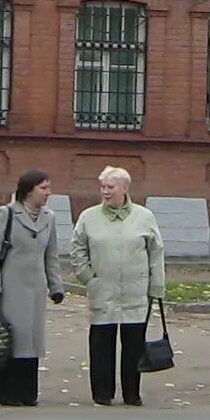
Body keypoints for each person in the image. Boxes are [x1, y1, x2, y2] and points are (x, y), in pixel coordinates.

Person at [71, 166, 167, 406]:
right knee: (101, 344)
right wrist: (87, 276)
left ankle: (131, 393)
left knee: (133, 345)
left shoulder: (144, 217)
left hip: (134, 292)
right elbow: (77, 248)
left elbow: (156, 252)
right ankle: (102, 394)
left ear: (125, 188)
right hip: (102, 289)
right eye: (102, 187)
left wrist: (157, 287)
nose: (105, 192)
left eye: (110, 187)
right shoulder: (88, 217)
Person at [0, 168, 66, 406]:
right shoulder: (7, 214)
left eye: (48, 187)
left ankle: (28, 393)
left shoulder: (49, 217)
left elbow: (52, 255)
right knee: (10, 339)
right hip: (10, 287)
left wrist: (55, 286)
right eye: (44, 188)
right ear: (29, 190)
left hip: (36, 288)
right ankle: (8, 392)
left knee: (32, 340)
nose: (49, 192)